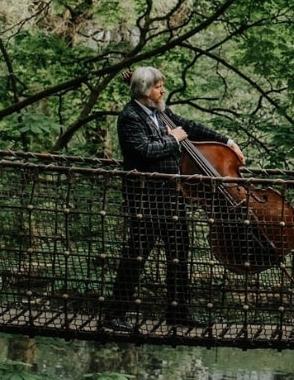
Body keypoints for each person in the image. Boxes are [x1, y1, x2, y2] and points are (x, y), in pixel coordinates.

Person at [105, 66, 244, 332]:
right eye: (159, 86)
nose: (163, 90)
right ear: (146, 91)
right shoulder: (129, 117)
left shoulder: (161, 112)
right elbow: (143, 150)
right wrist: (172, 139)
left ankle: (178, 313)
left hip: (171, 195)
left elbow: (189, 127)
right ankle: (114, 314)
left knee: (179, 253)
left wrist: (227, 141)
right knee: (136, 255)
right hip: (146, 198)